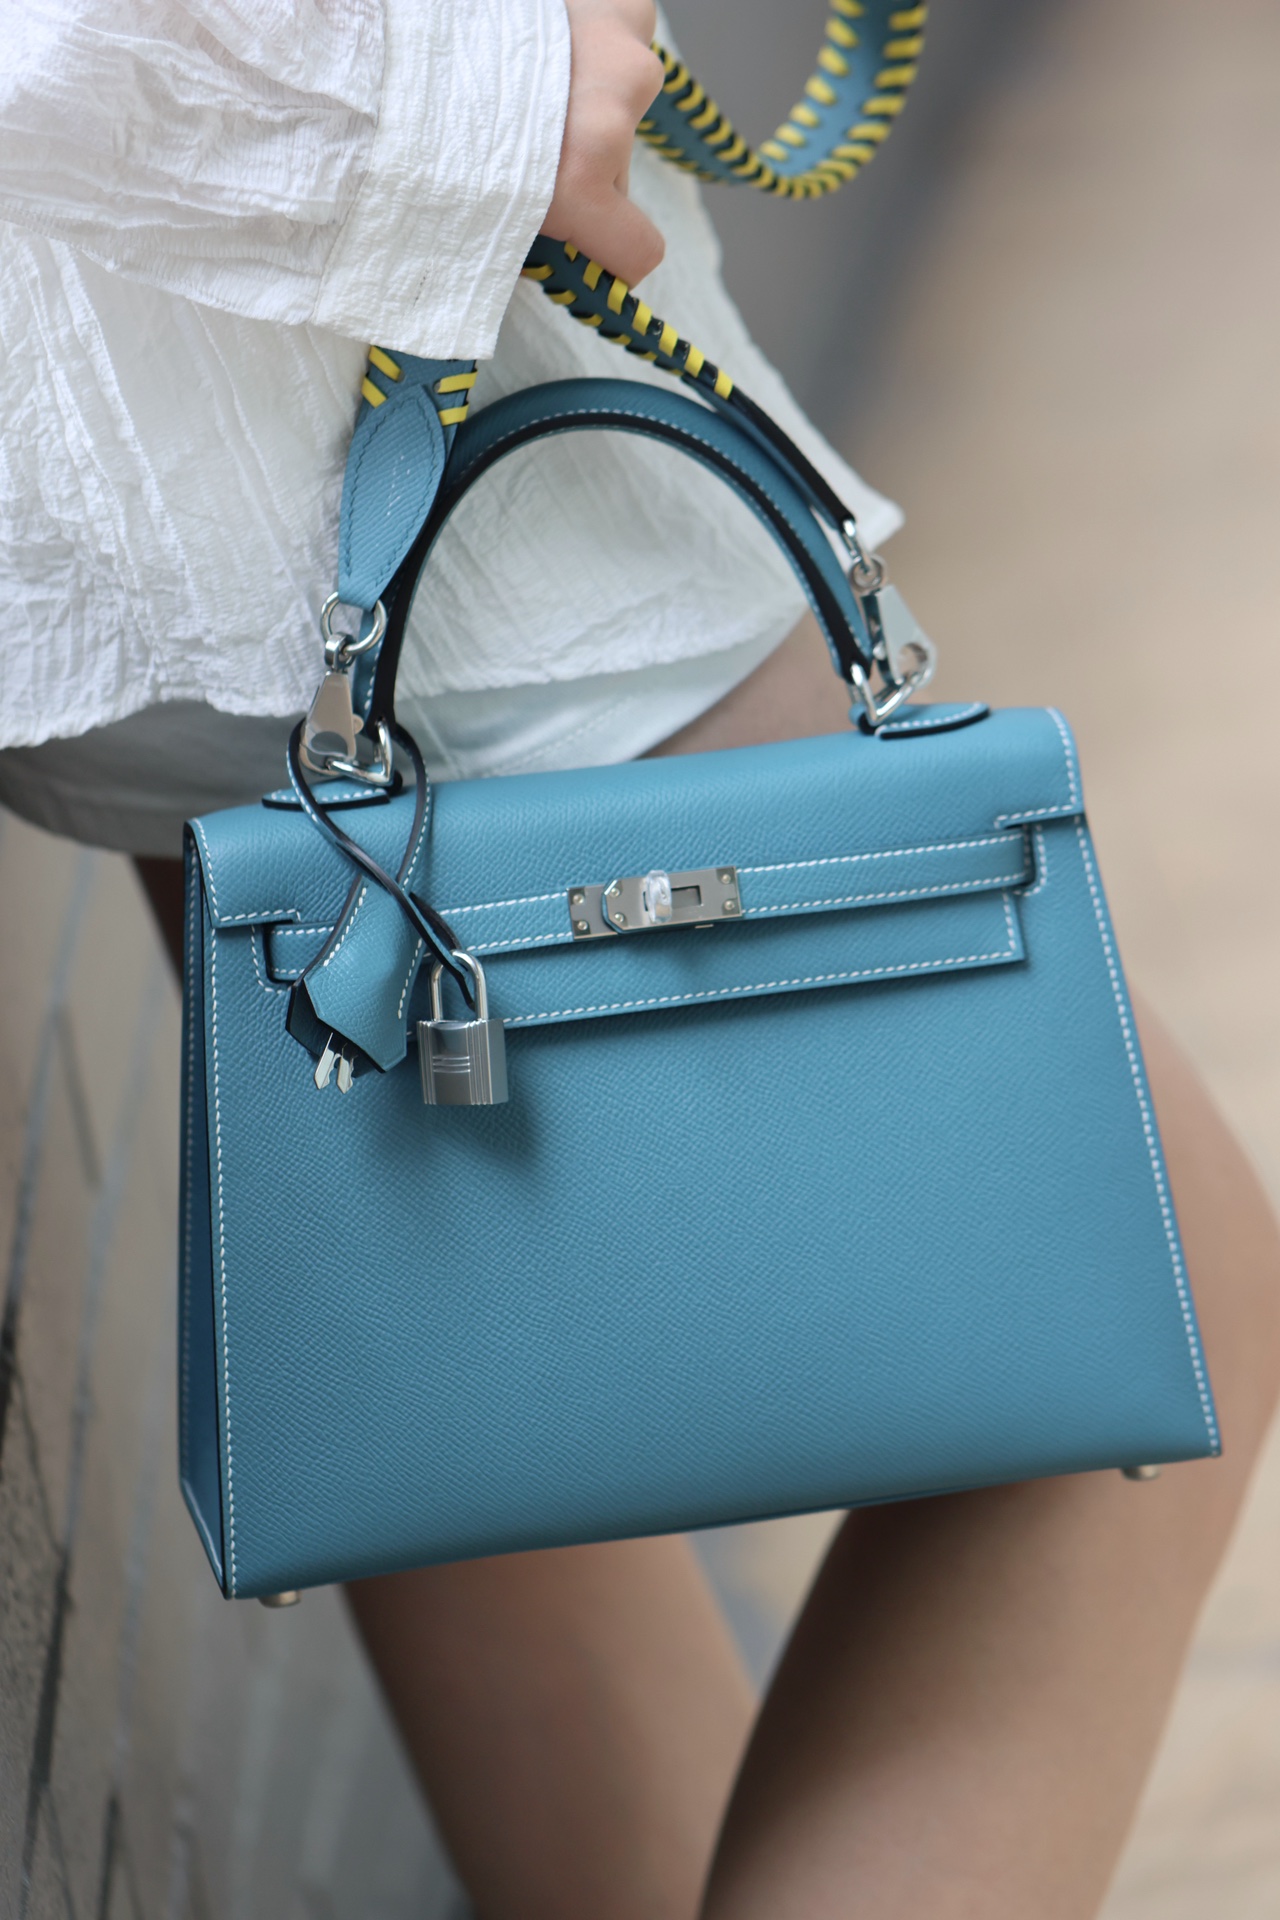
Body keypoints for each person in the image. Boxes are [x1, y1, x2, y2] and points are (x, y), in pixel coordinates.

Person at [1, 4, 1277, 1916]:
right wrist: (445, 81)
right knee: (1157, 1268)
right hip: (279, 314)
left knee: (452, 1375)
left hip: (183, 350)